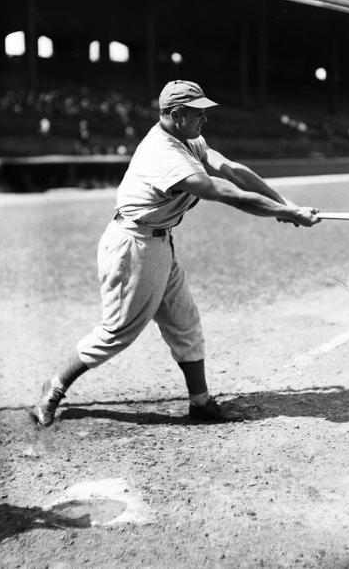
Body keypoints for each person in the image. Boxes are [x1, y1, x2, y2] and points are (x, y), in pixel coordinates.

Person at [33, 80, 321, 426]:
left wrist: (284, 204)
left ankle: (200, 403)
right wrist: (288, 214)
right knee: (115, 333)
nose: (204, 119)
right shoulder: (164, 154)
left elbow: (230, 169)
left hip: (157, 243)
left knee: (184, 321)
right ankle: (55, 387)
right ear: (176, 114)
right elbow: (225, 191)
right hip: (132, 247)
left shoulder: (188, 138)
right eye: (198, 112)